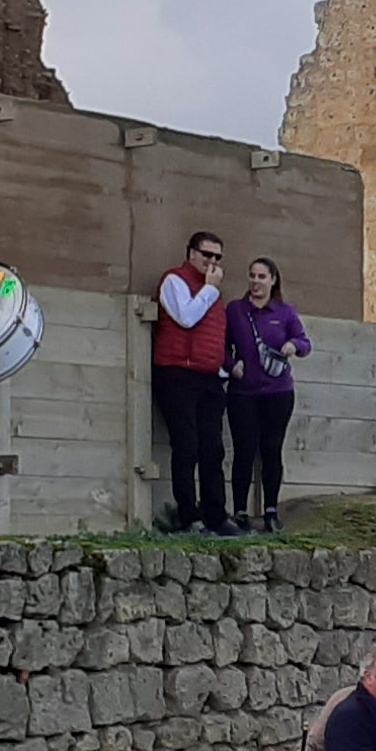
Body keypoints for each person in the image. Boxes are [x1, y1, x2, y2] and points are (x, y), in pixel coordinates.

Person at [147, 227, 232, 532]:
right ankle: (188, 516)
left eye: (218, 257)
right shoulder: (175, 281)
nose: (212, 262)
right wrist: (209, 289)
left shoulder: (214, 292)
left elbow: (215, 336)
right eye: (207, 254)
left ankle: (216, 516)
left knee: (213, 449)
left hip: (208, 377)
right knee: (187, 446)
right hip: (177, 372)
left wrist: (223, 368)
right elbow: (186, 317)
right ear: (192, 254)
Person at [222, 252, 310, 534]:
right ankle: (239, 511)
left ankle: (271, 510)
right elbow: (220, 344)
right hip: (243, 392)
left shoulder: (285, 312)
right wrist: (230, 365)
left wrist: (293, 346)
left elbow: (305, 342)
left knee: (271, 450)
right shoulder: (235, 310)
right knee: (244, 451)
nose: (256, 282)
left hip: (278, 392)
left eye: (262, 277)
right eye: (252, 276)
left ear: (273, 281)